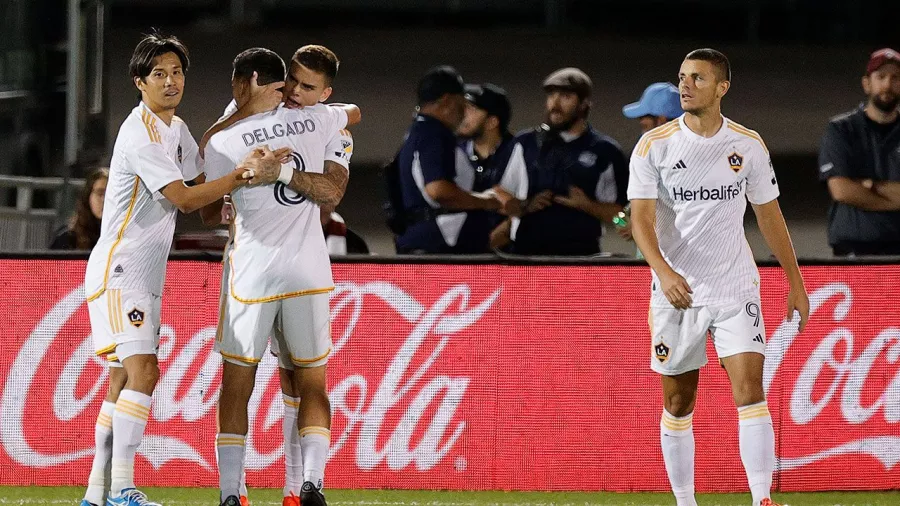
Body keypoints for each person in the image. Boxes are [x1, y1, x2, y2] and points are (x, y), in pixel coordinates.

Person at [79, 32, 258, 506]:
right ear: (140, 81)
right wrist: (240, 176)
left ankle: (95, 495)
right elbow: (182, 197)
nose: (171, 80)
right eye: (159, 73)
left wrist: (237, 117)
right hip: (122, 271)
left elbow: (204, 193)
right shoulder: (138, 132)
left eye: (177, 71)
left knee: (121, 381)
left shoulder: (175, 131)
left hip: (138, 275)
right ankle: (121, 490)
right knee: (144, 373)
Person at [628, 48, 810, 506]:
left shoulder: (747, 145)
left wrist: (795, 281)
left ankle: (761, 499)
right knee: (677, 404)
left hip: (735, 287)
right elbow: (640, 221)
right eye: (683, 77)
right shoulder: (656, 145)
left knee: (751, 390)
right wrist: (664, 272)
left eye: (697, 78)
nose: (685, 85)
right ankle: (686, 502)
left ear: (722, 88)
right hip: (678, 293)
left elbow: (769, 216)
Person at [200, 45, 359, 506]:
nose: (294, 91)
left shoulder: (226, 136)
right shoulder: (325, 121)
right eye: (291, 80)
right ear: (278, 79)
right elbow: (352, 116)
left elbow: (209, 210)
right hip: (308, 270)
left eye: (307, 87)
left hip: (251, 271)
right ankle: (307, 483)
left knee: (239, 382)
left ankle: (236, 493)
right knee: (308, 380)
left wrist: (262, 178)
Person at [495, 67, 628, 255]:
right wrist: (524, 205)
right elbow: (499, 194)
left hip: (581, 258)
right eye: (551, 96)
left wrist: (588, 206)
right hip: (526, 256)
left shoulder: (606, 151)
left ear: (584, 104)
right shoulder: (525, 144)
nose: (554, 105)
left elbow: (621, 216)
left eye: (565, 97)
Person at [393, 66, 509, 254]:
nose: (464, 112)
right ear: (447, 101)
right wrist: (487, 201)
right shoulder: (435, 133)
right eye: (462, 103)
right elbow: (439, 191)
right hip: (442, 247)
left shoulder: (418, 131)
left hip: (424, 242)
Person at [819, 47, 900, 256]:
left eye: (895, 78)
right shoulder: (841, 129)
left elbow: (850, 190)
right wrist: (893, 198)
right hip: (854, 254)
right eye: (881, 77)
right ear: (866, 83)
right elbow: (841, 190)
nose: (887, 85)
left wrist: (870, 186)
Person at [454, 83, 520, 252]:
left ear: (492, 122)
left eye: (471, 109)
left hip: (508, 259)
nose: (462, 114)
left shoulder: (518, 153)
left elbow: (526, 210)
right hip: (462, 254)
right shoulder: (455, 151)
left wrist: (483, 247)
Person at [49, 167, 109, 250]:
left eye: (111, 194)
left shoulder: (128, 238)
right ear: (87, 197)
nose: (105, 200)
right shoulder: (67, 239)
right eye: (100, 193)